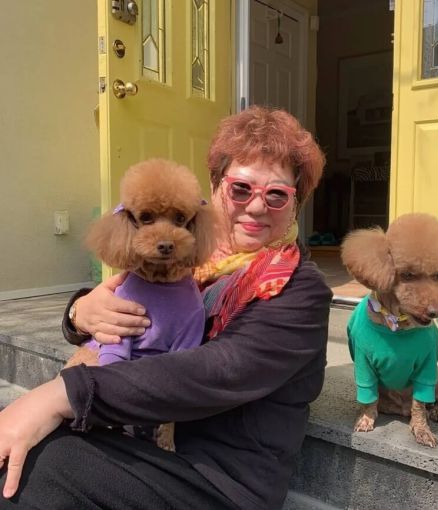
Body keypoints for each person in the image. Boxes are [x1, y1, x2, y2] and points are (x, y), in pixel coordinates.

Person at [0, 106, 331, 510]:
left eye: (277, 194)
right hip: (143, 440)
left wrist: (64, 393)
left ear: (295, 204)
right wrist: (80, 312)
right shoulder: (192, 264)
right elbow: (135, 307)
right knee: (23, 447)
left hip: (219, 479)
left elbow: (219, 369)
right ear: (215, 188)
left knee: (39, 469)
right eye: (241, 188)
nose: (257, 206)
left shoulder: (300, 289)